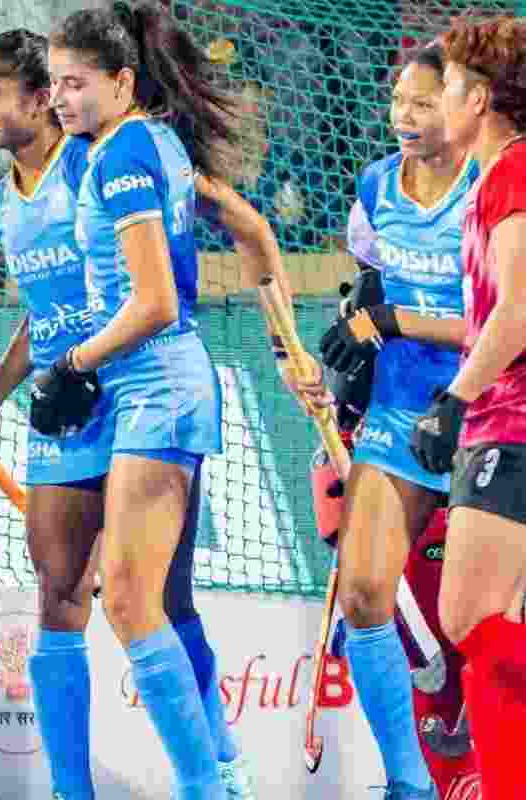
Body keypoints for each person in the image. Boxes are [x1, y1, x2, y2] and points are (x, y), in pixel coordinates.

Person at [0, 25, 318, 799]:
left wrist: (288, 348)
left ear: (44, 96)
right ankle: (75, 788)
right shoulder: (3, 200)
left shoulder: (107, 157)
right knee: (60, 593)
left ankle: (220, 772)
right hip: (68, 400)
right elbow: (42, 316)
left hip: (133, 388)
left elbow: (218, 242)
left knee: (151, 600)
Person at [15, 3, 250, 796]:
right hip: (152, 386)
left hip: (157, 386)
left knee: (125, 597)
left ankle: (205, 785)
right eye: (53, 86)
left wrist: (72, 363)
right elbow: (250, 231)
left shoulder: (122, 158)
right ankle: (218, 767)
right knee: (154, 597)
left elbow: (151, 301)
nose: (61, 100)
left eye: (76, 84)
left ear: (122, 81)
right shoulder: (145, 142)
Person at [317, 41, 480, 800]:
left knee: (485, 619)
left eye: (424, 103)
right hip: (397, 414)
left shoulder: (495, 184)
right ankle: (409, 785)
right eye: (397, 103)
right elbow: (372, 286)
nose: (405, 118)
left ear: (465, 104)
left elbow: (500, 319)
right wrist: (347, 340)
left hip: (489, 412)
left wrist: (395, 318)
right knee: (363, 594)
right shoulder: (377, 185)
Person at [410, 15, 526, 799]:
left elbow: (518, 309)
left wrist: (454, 400)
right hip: (508, 420)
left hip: (510, 424)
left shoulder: (511, 174)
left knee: (469, 618)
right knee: (493, 625)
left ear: (479, 99)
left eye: (446, 87)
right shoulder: (503, 176)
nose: (436, 100)